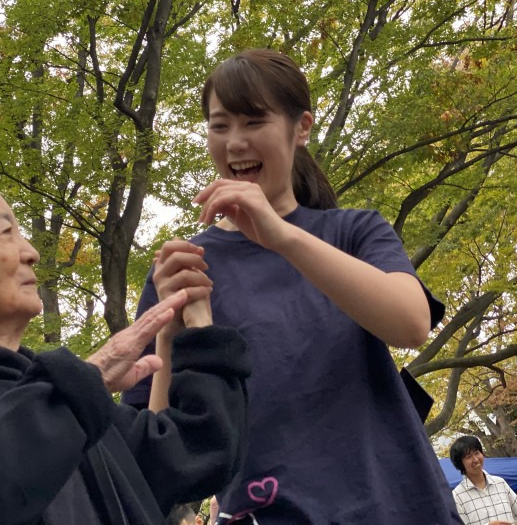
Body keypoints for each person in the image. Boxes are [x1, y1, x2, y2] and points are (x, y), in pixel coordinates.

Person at [124, 49, 461, 523]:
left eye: (253, 121)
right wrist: (167, 329)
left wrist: (281, 236)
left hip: (398, 504)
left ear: (301, 128)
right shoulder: (184, 268)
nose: (235, 142)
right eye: (220, 126)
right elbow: (156, 449)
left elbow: (410, 324)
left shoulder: (353, 231)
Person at [0, 158, 250, 525]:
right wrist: (85, 383)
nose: (31, 252)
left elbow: (196, 454)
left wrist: (194, 324)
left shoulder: (56, 399)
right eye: (4, 231)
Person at [450, 435, 517, 525]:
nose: (475, 459)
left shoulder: (500, 483)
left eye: (477, 453)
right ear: (460, 463)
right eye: (468, 457)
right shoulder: (457, 496)